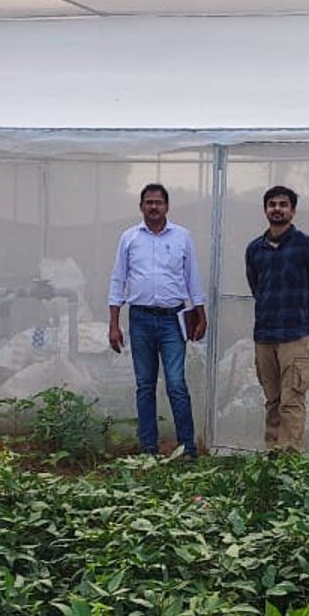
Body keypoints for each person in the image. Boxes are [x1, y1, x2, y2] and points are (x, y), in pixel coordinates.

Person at [107, 182, 207, 457]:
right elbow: (118, 280)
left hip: (172, 319)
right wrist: (114, 323)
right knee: (145, 384)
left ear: (167, 206)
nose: (153, 207)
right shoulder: (129, 238)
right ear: (141, 207)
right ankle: (148, 447)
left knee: (176, 383)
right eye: (148, 202)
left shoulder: (182, 237)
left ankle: (188, 447)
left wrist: (201, 315)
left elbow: (192, 278)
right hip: (139, 319)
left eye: (158, 202)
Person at [244, 184, 309, 452]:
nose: (277, 209)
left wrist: (304, 315)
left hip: (294, 335)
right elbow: (256, 286)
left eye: (283, 205)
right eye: (272, 204)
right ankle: (272, 454)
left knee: (291, 399)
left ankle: (290, 460)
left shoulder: (307, 246)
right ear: (265, 210)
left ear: (292, 211)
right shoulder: (255, 249)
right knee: (272, 399)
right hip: (265, 335)